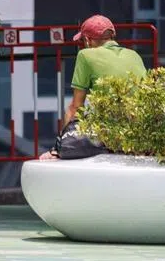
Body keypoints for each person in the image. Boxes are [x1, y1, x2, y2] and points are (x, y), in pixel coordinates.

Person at [39, 14, 147, 160]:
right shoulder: (135, 55)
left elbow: (76, 108)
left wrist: (58, 148)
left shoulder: (85, 55)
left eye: (82, 41)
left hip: (109, 136)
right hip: (139, 135)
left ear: (88, 40)